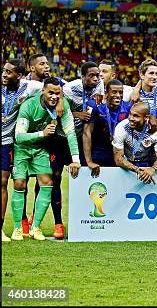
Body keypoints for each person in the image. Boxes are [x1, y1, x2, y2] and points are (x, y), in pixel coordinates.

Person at [11, 77, 80, 241]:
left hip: (41, 149)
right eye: (50, 93)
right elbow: (19, 136)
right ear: (43, 91)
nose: (54, 97)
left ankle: (36, 228)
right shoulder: (29, 106)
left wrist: (75, 159)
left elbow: (70, 133)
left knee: (47, 183)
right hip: (22, 149)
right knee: (20, 183)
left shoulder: (62, 107)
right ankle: (17, 228)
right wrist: (42, 133)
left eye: (57, 93)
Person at [1, 59, 43, 242]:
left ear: (18, 76)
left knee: (3, 183)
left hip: (6, 142)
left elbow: (56, 88)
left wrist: (59, 105)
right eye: (3, 70)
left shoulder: (29, 87)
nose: (4, 74)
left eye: (9, 72)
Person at [83, 79, 132, 176]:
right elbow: (86, 132)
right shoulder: (95, 106)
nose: (118, 95)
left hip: (121, 152)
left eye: (120, 92)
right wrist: (89, 161)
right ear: (106, 93)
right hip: (99, 152)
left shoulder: (128, 107)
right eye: (114, 92)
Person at [112, 102, 157, 184]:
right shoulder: (121, 127)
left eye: (136, 116)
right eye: (130, 114)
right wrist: (137, 170)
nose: (131, 118)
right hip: (128, 166)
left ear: (146, 117)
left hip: (148, 164)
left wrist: (153, 169)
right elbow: (118, 158)